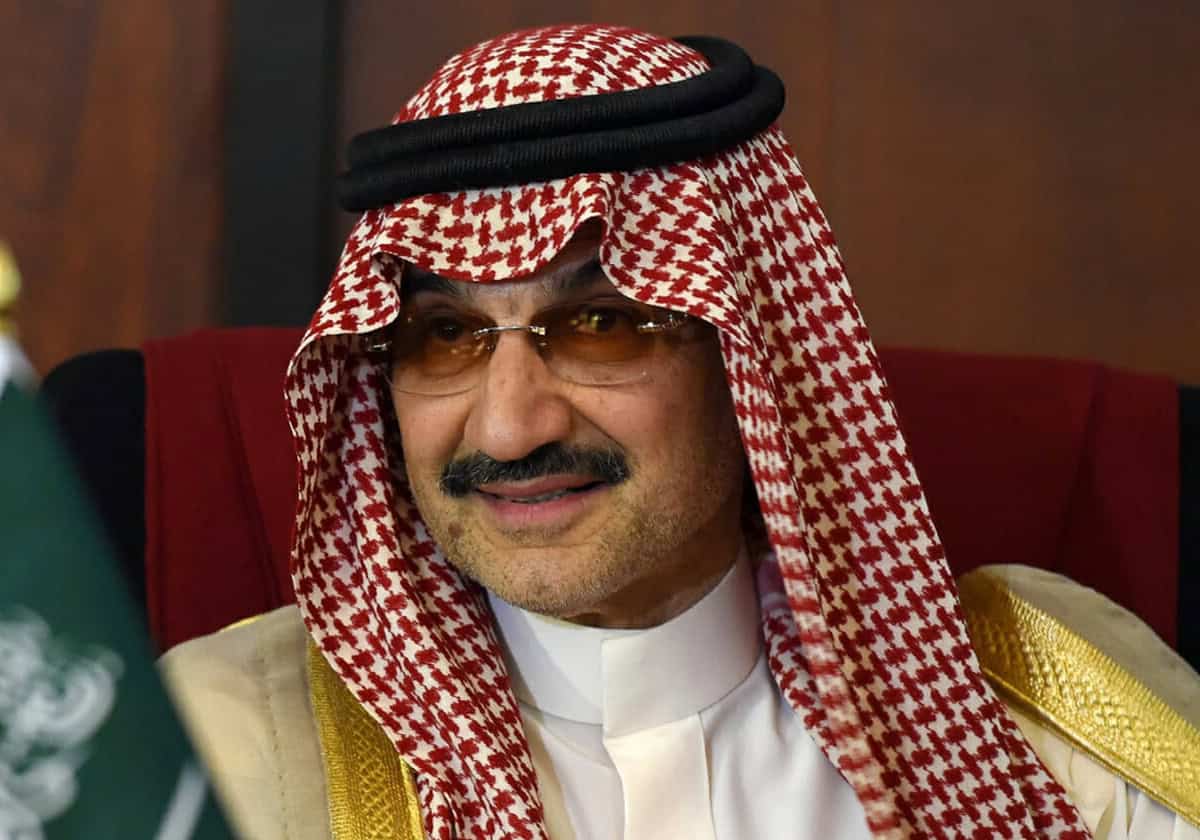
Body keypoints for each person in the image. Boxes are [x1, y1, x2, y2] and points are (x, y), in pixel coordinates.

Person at [161, 24, 1200, 839]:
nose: (511, 427)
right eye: (445, 336)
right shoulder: (210, 753)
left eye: (601, 324)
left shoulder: (1040, 724)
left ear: (752, 365)